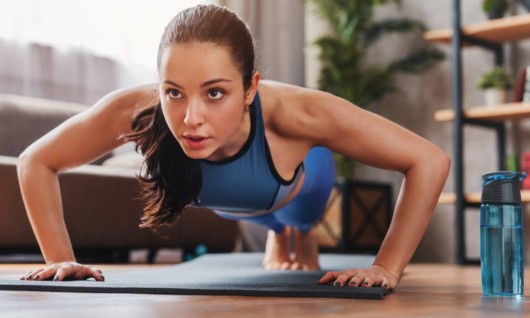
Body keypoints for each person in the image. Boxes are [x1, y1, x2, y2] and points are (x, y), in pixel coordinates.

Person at [18, 4, 450, 289]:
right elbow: (36, 160)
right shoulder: (135, 110)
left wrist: (386, 266)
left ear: (250, 88)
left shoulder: (299, 113)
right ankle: (278, 234)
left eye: (215, 93)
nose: (190, 118)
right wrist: (60, 259)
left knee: (298, 216)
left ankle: (295, 231)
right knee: (257, 214)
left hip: (300, 180)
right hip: (233, 199)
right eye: (174, 92)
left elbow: (428, 160)